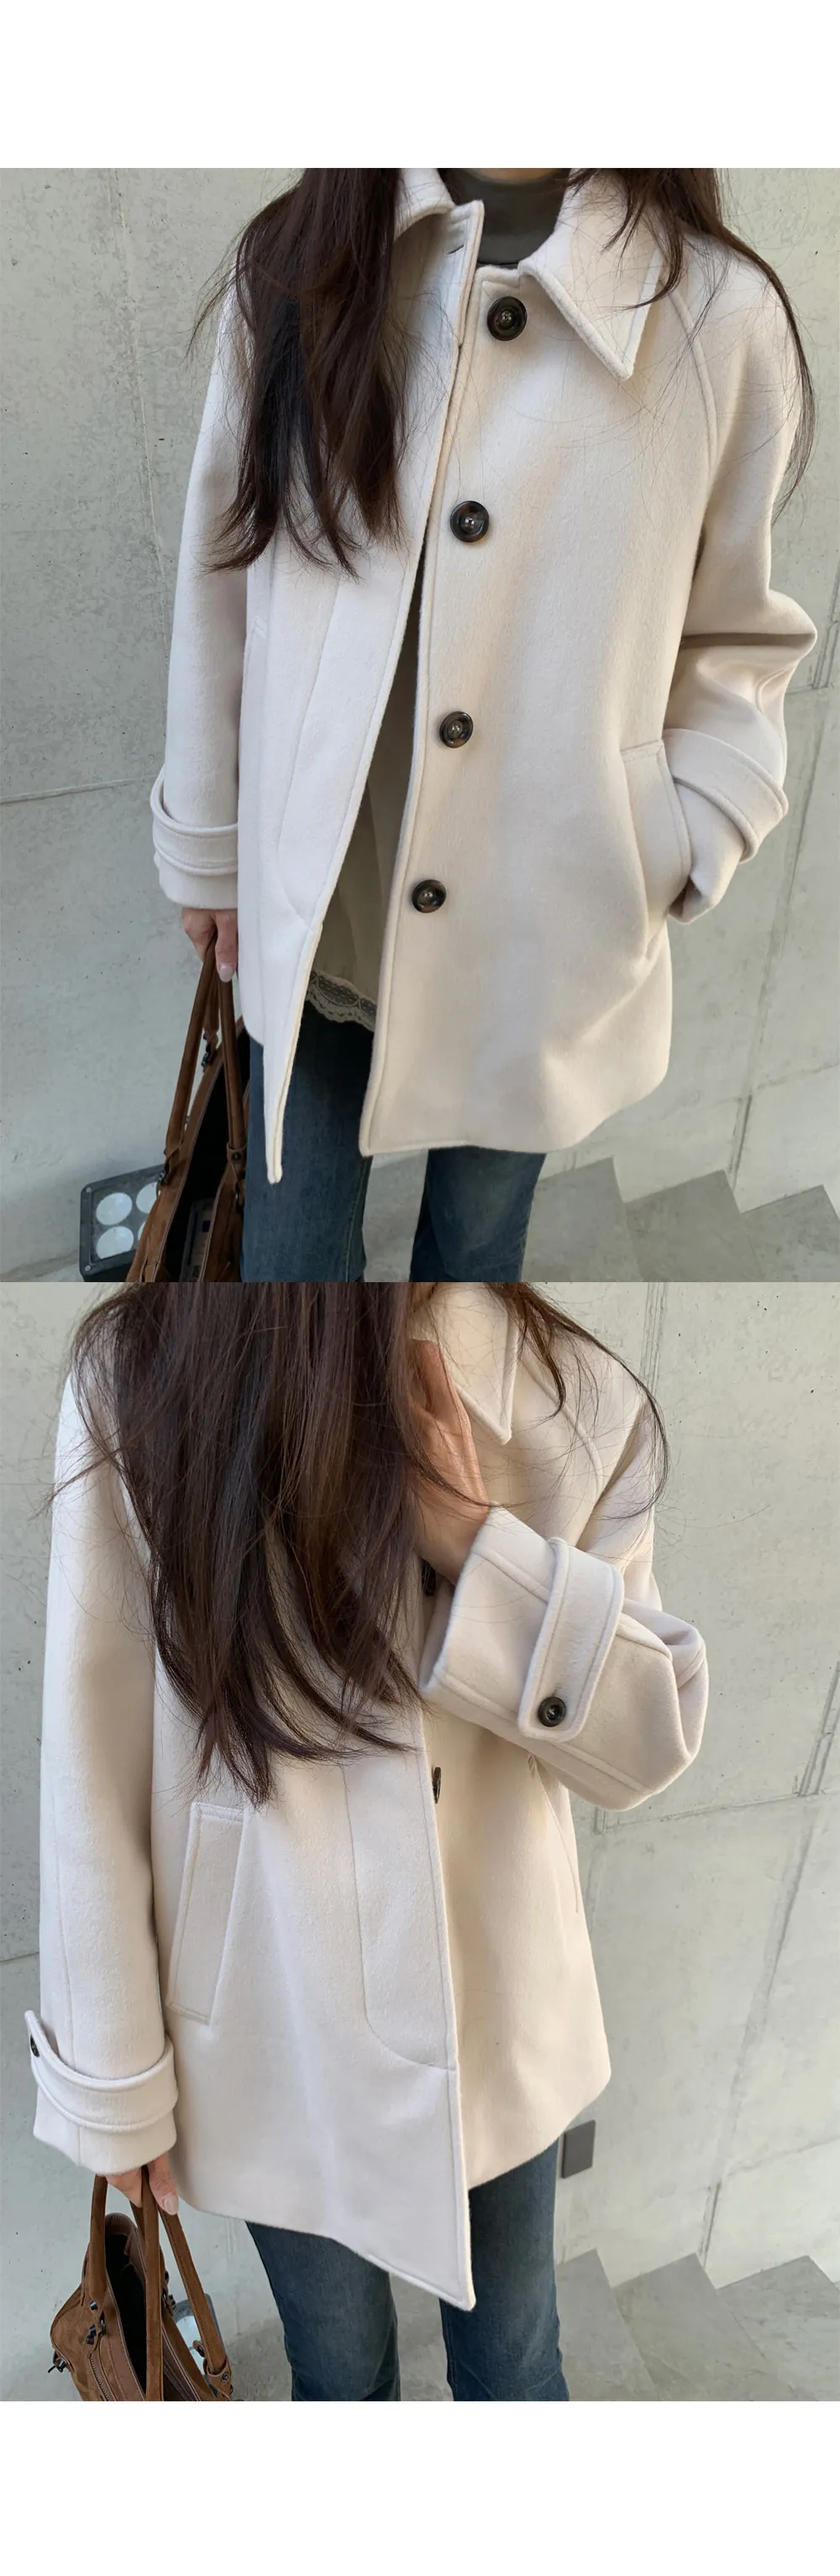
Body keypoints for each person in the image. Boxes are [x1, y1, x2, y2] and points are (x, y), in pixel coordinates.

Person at [27, 1282, 708, 2401]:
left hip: (498, 2006)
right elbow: (93, 1754)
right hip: (270, 2025)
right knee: (340, 2376)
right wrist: (114, 2079)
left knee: (516, 2361)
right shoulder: (146, 1372)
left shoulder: (571, 1396)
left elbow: (641, 1746)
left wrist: (477, 1547)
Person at [150, 167, 816, 1282]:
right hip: (319, 908)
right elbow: (223, 580)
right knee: (290, 1268)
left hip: (548, 922)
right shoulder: (296, 262)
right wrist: (209, 850)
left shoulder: (716, 314)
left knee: (474, 1264)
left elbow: (733, 637)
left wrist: (679, 839)